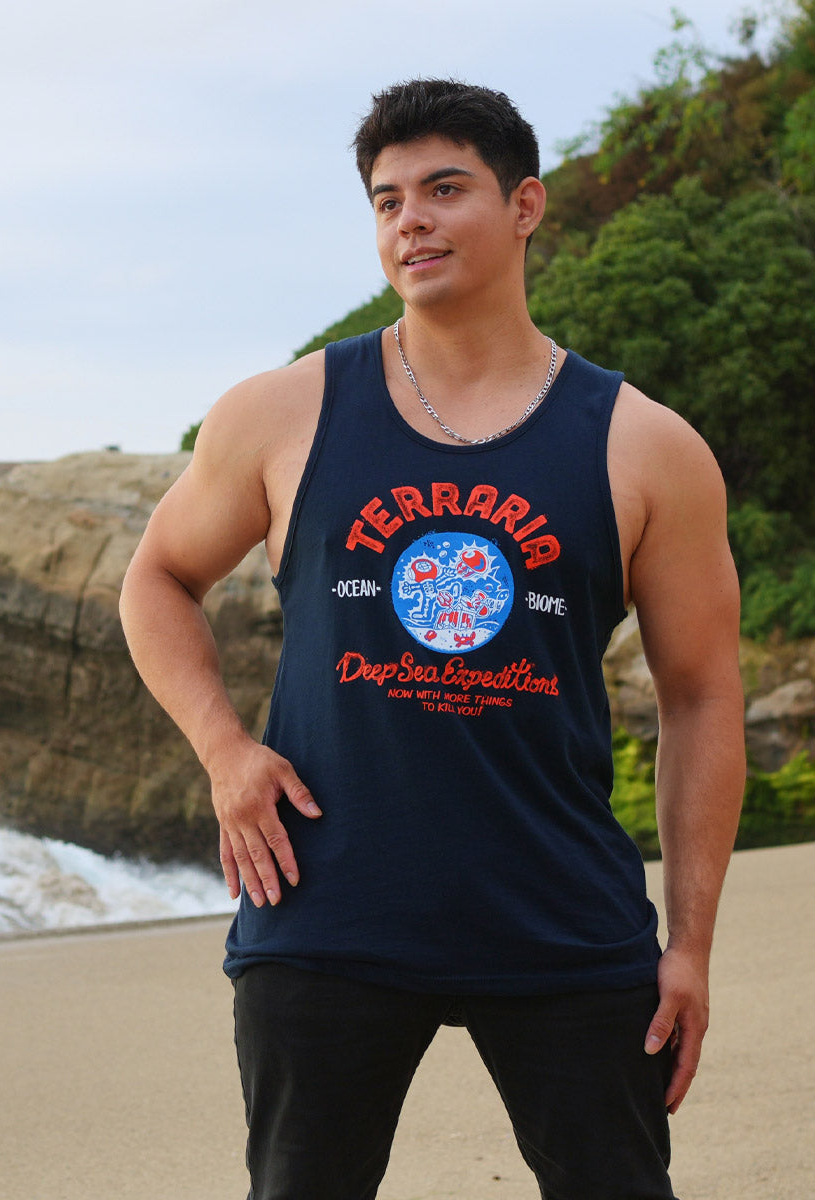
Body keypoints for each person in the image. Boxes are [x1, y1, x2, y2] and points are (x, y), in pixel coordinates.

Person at [119, 79, 744, 1200]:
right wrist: (224, 750)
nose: (410, 218)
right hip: (326, 908)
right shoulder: (282, 413)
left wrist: (689, 941)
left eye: (445, 188)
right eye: (386, 198)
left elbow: (702, 694)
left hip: (560, 917)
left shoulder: (646, 446)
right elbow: (157, 580)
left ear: (525, 207)